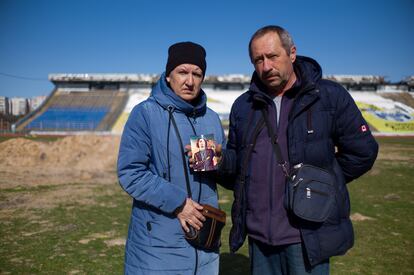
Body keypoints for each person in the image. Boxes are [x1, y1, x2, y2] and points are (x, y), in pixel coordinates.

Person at [217, 25, 379, 274]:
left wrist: (323, 184)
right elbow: (239, 167)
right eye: (258, 60)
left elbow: (363, 151)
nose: (266, 66)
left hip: (306, 237)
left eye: (272, 56)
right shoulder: (243, 106)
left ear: (292, 53)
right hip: (259, 238)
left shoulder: (328, 96)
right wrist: (219, 161)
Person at [117, 41, 225, 274]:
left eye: (197, 73)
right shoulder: (145, 114)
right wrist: (179, 204)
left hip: (206, 244)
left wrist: (221, 158)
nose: (190, 80)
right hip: (158, 246)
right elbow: (131, 173)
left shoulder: (212, 119)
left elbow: (224, 175)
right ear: (168, 76)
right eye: (182, 72)